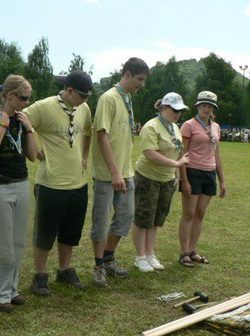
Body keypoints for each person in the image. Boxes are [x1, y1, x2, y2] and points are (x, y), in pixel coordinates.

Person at [23, 70, 93, 296]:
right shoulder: (43, 107)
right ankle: (40, 275)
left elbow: (88, 132)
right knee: (44, 233)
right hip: (50, 184)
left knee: (71, 232)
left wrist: (84, 155)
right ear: (69, 90)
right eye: (83, 95)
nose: (85, 100)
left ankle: (64, 269)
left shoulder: (84, 108)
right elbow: (21, 122)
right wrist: (37, 153)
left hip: (78, 184)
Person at [0, 75, 38, 312]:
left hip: (21, 183)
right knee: (2, 243)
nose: (26, 102)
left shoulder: (22, 119)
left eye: (29, 99)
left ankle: (10, 290)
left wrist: (29, 128)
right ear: (10, 96)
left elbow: (32, 156)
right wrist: (3, 125)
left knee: (17, 242)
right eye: (23, 98)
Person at [90, 57, 149, 286]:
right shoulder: (109, 98)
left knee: (125, 218)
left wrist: (123, 171)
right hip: (108, 174)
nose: (141, 84)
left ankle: (107, 259)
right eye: (139, 79)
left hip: (126, 171)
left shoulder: (127, 98)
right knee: (101, 222)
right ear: (126, 74)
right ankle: (98, 267)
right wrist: (114, 173)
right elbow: (102, 135)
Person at [132, 93, 190, 272]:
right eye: (175, 110)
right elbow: (150, 153)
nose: (178, 114)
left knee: (157, 219)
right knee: (143, 218)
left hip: (167, 180)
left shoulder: (174, 127)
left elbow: (178, 152)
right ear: (163, 108)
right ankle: (140, 257)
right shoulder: (151, 127)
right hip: (147, 178)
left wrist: (178, 176)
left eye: (180, 111)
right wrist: (175, 164)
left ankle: (150, 254)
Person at [178, 91, 226, 267]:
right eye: (204, 105)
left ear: (214, 109)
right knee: (189, 214)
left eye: (210, 106)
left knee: (200, 214)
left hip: (209, 173)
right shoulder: (188, 125)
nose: (207, 109)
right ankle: (184, 253)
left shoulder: (216, 127)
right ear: (197, 106)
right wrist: (184, 180)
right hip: (192, 172)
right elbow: (182, 153)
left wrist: (222, 180)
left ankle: (193, 250)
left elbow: (217, 155)